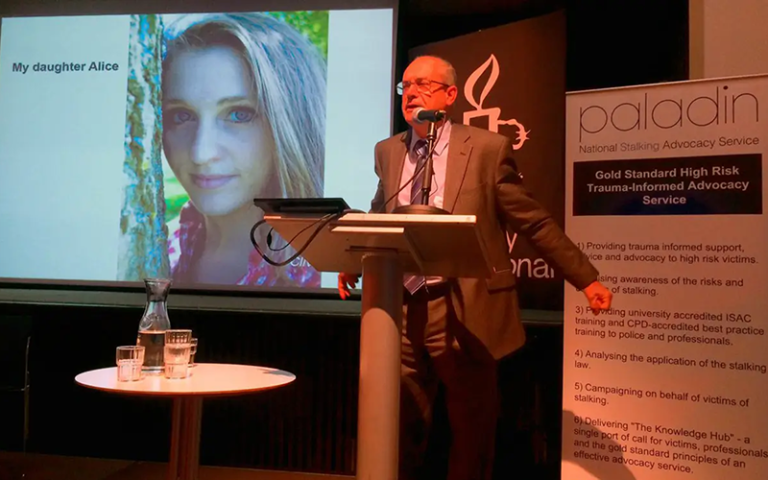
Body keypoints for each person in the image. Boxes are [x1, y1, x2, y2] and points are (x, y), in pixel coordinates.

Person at [338, 55, 613, 480]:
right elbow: (381, 213)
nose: (411, 93)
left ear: (449, 96)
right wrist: (356, 261)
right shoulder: (389, 151)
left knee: (471, 435)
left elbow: (532, 220)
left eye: (423, 85)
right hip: (402, 305)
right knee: (400, 427)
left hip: (466, 307)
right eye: (405, 86)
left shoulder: (487, 149)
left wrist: (585, 278)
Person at [161, 12, 326, 287]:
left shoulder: (319, 269)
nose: (201, 153)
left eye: (239, 114)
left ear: (293, 124)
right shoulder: (163, 249)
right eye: (182, 116)